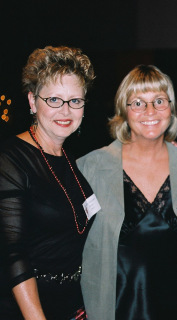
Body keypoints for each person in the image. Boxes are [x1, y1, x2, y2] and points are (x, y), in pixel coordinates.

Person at [78, 65, 177, 320]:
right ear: (123, 110)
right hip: (114, 311)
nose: (150, 111)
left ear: (171, 108)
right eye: (138, 103)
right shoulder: (89, 168)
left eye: (159, 101)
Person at [0, 46, 98, 319]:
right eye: (54, 99)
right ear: (32, 102)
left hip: (71, 306)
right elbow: (13, 254)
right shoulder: (10, 160)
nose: (65, 110)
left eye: (75, 100)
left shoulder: (67, 157)